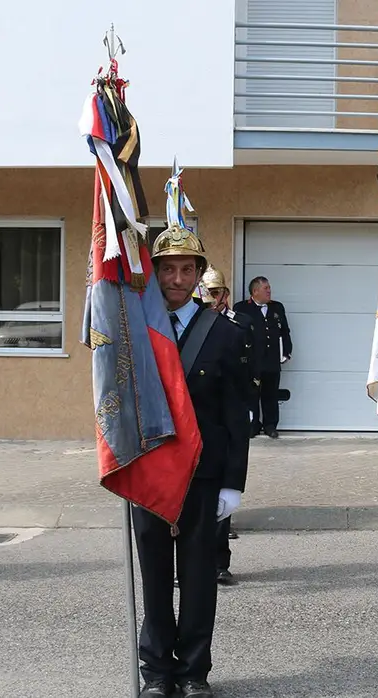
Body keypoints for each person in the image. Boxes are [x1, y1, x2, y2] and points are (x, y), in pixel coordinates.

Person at [136, 228, 251, 698]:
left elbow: (236, 414)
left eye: (187, 269)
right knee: (155, 576)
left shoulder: (225, 333)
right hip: (149, 474)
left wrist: (233, 482)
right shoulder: (136, 329)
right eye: (167, 269)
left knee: (200, 579)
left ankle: (194, 671)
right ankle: (158, 672)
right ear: (156, 274)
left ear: (200, 275)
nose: (177, 278)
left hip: (204, 474)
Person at [199, 265, 256, 585]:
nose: (213, 301)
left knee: (220, 494)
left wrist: (247, 407)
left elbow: (248, 368)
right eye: (207, 295)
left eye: (217, 294)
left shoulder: (237, 326)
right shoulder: (191, 325)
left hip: (227, 414)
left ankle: (220, 562)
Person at [232, 277, 291, 438]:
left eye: (269, 288)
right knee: (251, 394)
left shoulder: (277, 307)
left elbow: (284, 331)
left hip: (272, 359)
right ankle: (252, 425)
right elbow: (236, 333)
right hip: (252, 361)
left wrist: (287, 351)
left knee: (270, 394)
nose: (269, 291)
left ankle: (270, 425)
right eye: (265, 288)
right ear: (255, 291)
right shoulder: (242, 308)